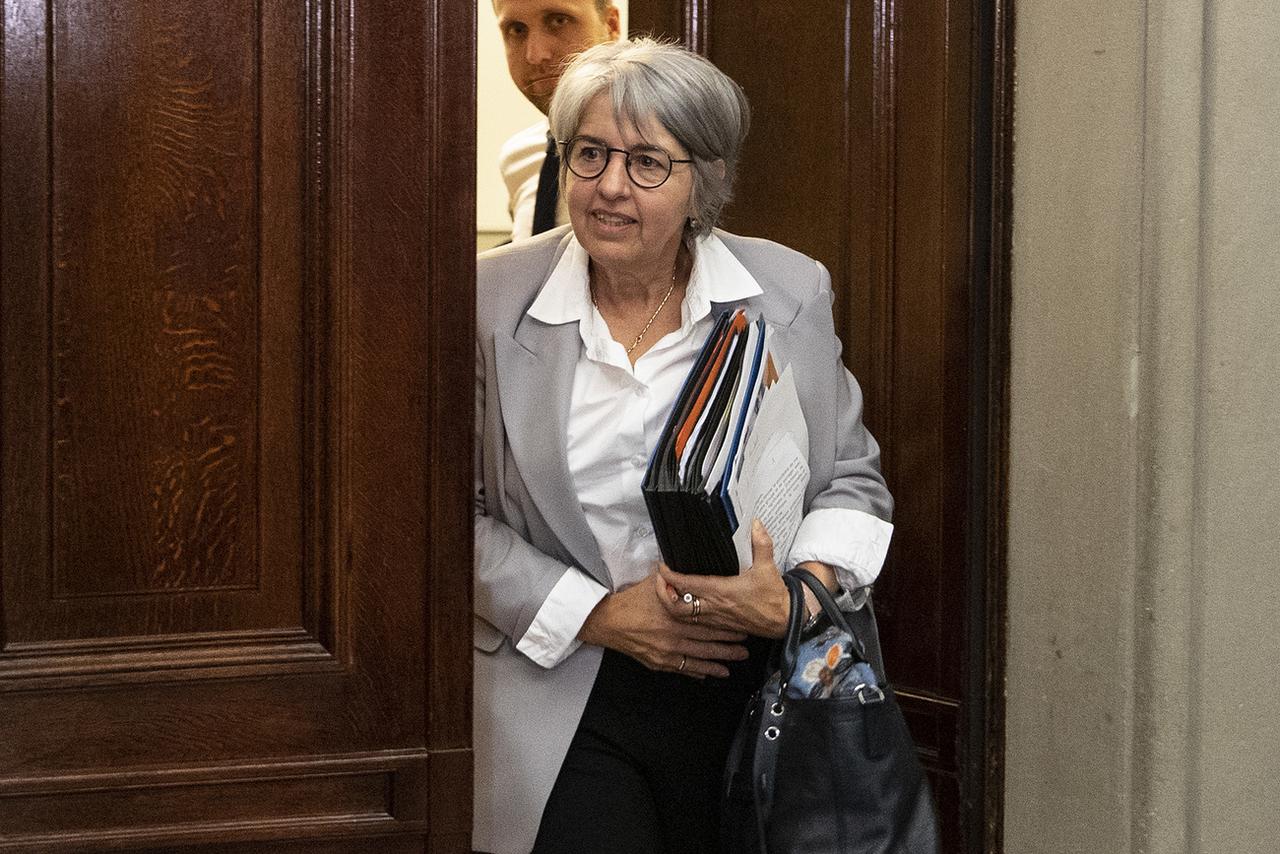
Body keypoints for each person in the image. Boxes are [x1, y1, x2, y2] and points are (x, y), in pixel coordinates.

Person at [474, 38, 895, 854]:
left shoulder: (787, 291)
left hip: (756, 689)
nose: (609, 187)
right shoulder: (489, 299)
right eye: (589, 154)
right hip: (564, 686)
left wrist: (799, 597)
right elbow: (440, 514)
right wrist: (601, 614)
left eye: (646, 163)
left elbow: (851, 481)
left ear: (704, 179)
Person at [493, 0, 621, 240]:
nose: (536, 55)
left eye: (558, 20)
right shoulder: (518, 158)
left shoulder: (661, 155)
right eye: (517, 30)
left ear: (611, 26)